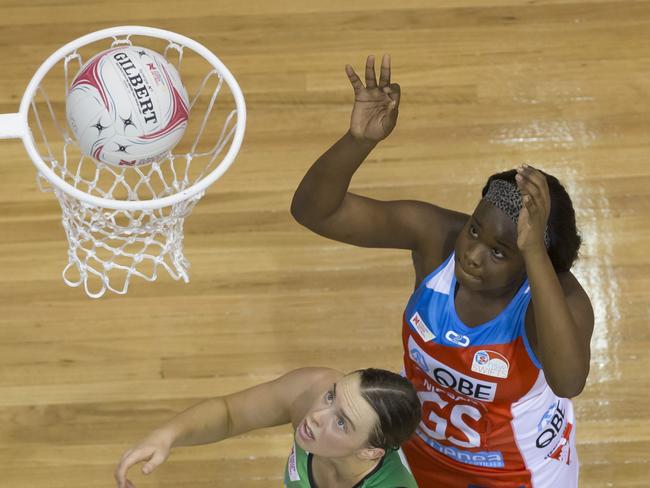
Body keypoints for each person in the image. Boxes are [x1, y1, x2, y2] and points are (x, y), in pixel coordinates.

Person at [291, 54, 594, 487]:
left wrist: (534, 256)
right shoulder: (438, 238)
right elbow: (315, 213)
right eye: (474, 229)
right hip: (416, 457)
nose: (472, 254)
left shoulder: (557, 298)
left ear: (530, 257)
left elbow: (568, 382)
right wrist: (358, 141)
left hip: (516, 475)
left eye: (500, 252)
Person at [114, 367, 421, 488]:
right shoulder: (311, 392)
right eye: (332, 396)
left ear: (371, 451)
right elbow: (230, 414)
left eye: (341, 422)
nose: (317, 415)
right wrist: (168, 434)